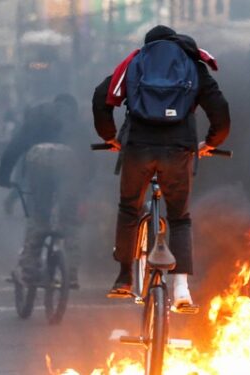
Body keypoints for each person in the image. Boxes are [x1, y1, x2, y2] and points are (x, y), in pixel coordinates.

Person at [92, 25, 230, 308]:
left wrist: (109, 136)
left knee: (129, 208)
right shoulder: (193, 64)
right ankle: (181, 289)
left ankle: (124, 278)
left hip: (138, 147)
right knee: (179, 217)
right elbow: (220, 109)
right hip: (178, 149)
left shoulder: (134, 62)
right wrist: (211, 142)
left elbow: (101, 97)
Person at [0, 94, 88, 288]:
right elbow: (88, 154)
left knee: (39, 218)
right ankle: (70, 275)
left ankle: (29, 271)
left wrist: (3, 176)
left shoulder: (37, 115)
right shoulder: (76, 120)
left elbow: (15, 146)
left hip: (39, 157)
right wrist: (83, 184)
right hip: (67, 161)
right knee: (69, 222)